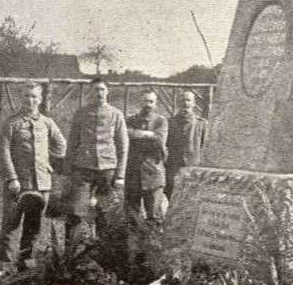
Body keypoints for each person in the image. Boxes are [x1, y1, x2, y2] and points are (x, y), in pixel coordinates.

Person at [0, 81, 66, 269]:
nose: (30, 100)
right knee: (10, 225)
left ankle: (25, 265)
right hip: (18, 184)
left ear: (40, 100)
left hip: (41, 184)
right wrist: (12, 178)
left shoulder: (47, 123)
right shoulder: (11, 122)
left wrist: (48, 162)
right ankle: (4, 267)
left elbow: (61, 145)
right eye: (27, 96)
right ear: (21, 98)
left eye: (34, 96)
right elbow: (3, 152)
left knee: (33, 226)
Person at [65, 76, 129, 238]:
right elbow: (72, 143)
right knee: (78, 211)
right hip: (83, 170)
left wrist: (120, 175)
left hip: (107, 171)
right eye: (95, 90)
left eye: (102, 89)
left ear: (107, 92)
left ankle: (103, 253)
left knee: (106, 213)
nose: (99, 93)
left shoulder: (116, 114)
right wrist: (67, 171)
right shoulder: (81, 113)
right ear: (90, 92)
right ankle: (74, 253)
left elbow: (123, 147)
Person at [125, 89, 169, 223]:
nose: (148, 104)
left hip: (154, 174)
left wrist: (137, 134)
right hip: (133, 174)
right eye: (145, 101)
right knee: (132, 216)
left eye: (151, 101)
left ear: (155, 104)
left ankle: (153, 242)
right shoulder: (130, 120)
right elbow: (125, 134)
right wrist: (149, 134)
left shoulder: (161, 121)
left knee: (154, 216)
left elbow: (160, 140)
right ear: (140, 102)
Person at [166, 89, 207, 197]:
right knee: (171, 194)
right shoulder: (170, 122)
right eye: (183, 100)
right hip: (173, 166)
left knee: (192, 196)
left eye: (188, 100)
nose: (186, 103)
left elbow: (205, 147)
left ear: (193, 103)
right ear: (179, 103)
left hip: (193, 166)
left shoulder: (201, 124)